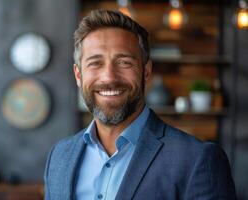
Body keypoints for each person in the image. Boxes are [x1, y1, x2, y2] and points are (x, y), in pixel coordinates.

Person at [44, 9, 236, 200]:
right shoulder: (59, 155)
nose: (109, 77)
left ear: (146, 71)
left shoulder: (197, 159)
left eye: (124, 62)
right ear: (79, 75)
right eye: (95, 63)